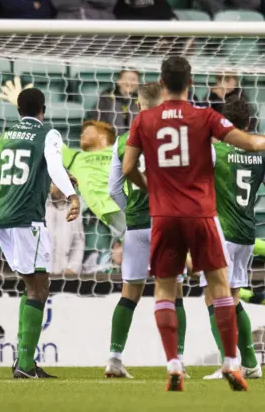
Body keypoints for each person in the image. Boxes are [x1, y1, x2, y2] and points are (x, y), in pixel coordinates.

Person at [122, 56, 265, 391]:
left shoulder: (144, 119)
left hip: (163, 215)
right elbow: (248, 142)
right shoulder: (204, 116)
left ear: (162, 83)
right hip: (200, 213)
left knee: (164, 288)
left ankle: (174, 363)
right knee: (220, 286)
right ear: (190, 83)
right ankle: (231, 363)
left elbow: (127, 169)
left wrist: (152, 187)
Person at [201, 96, 265, 380]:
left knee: (213, 299)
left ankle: (228, 365)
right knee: (232, 300)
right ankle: (250, 364)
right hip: (246, 234)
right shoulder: (261, 155)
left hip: (219, 232)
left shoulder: (214, 152)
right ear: (249, 123)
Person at [0, 87, 80, 379]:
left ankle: (23, 360)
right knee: (39, 289)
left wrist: (61, 180)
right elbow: (53, 165)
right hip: (27, 220)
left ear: (19, 112)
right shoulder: (48, 134)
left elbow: (30, 174)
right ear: (43, 108)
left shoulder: (6, 136)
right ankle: (25, 364)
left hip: (2, 217)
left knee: (30, 285)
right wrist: (72, 194)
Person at [106, 83, 187, 379]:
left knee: (130, 293)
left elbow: (112, 189)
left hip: (137, 225)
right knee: (174, 293)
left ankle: (114, 358)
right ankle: (176, 359)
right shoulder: (175, 137)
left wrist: (131, 210)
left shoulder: (123, 140)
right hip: (168, 222)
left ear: (139, 105)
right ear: (164, 103)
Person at [0, 81, 125, 237]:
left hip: (133, 206)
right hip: (114, 215)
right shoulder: (75, 158)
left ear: (103, 136)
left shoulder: (118, 149)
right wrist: (24, 105)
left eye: (88, 130)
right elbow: (42, 135)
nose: (82, 134)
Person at [46, 183, 85, 276]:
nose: (53, 187)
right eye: (52, 184)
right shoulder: (42, 207)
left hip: (65, 274)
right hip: (42, 272)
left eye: (55, 184)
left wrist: (72, 268)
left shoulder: (73, 210)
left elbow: (78, 243)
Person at [88, 70, 139, 135]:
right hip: (110, 138)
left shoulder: (141, 99)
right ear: (118, 81)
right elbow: (96, 119)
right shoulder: (106, 98)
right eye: (127, 79)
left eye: (134, 79)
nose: (130, 82)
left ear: (138, 83)